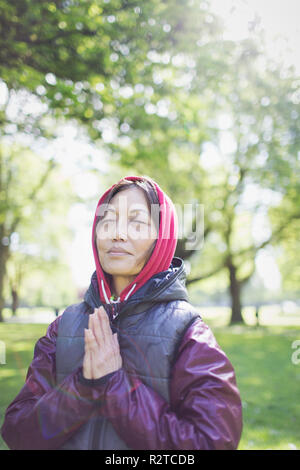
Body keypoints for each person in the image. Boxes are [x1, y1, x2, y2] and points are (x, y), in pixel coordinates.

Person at [1, 175, 243, 450]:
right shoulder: (63, 327)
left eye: (137, 222)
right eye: (108, 221)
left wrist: (116, 384)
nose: (118, 233)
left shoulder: (188, 332)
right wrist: (83, 385)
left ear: (161, 238)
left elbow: (212, 442)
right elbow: (18, 434)